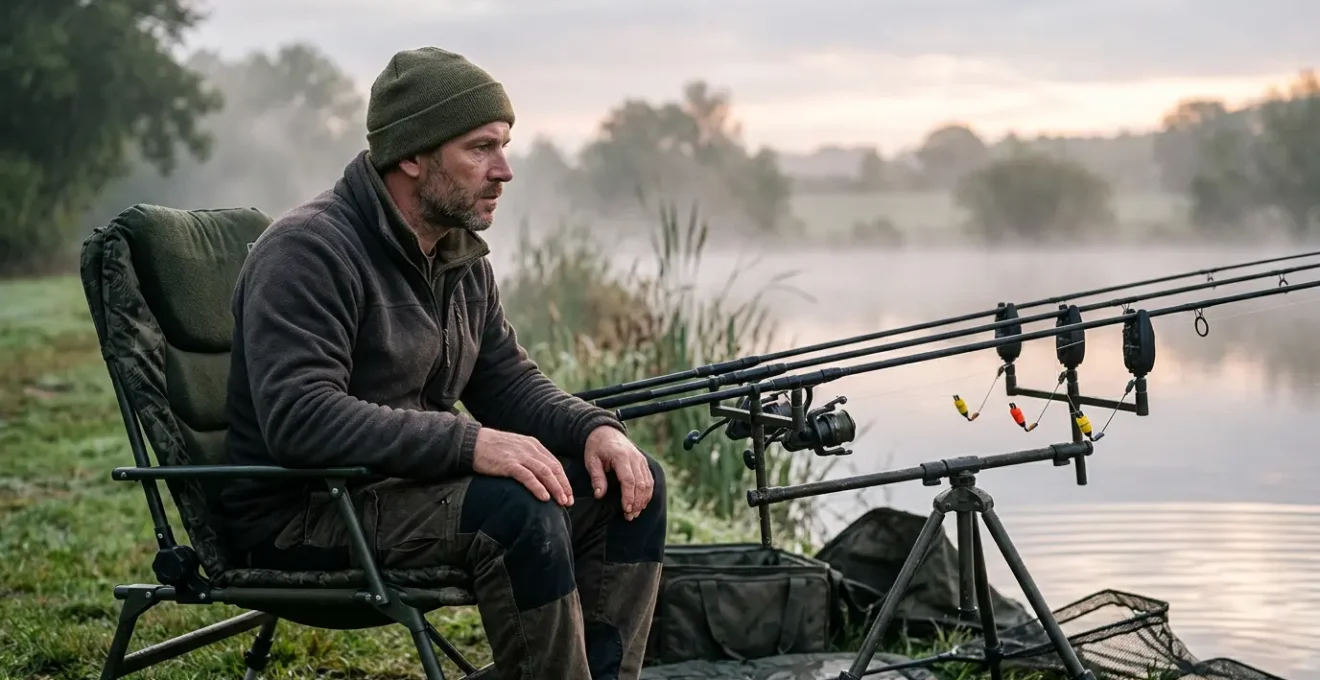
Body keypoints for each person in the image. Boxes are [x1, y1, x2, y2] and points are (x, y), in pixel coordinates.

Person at [220, 46, 667, 680]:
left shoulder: (458, 258)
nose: (504, 170)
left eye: (504, 145)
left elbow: (507, 382)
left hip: (399, 494)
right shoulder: (308, 251)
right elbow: (301, 418)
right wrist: (470, 443)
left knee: (630, 485)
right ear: (412, 153)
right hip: (305, 515)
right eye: (480, 148)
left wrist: (595, 428)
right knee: (516, 510)